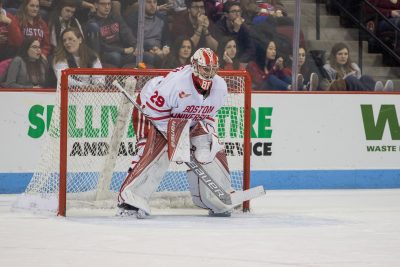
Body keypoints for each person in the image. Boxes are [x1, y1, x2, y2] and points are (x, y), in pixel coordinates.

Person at [117, 48, 236, 218]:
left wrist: (203, 141)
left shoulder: (220, 87)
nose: (210, 74)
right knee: (155, 149)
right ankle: (129, 201)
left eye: (213, 69)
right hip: (154, 111)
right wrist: (175, 141)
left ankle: (218, 198)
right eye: (205, 69)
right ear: (195, 66)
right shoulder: (175, 83)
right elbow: (154, 112)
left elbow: (209, 116)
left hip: (188, 118)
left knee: (210, 145)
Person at [321, 42, 393, 91]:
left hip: (356, 90)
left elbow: (360, 83)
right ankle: (374, 94)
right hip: (343, 91)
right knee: (350, 78)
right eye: (340, 54)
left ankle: (379, 92)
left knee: (365, 77)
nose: (343, 56)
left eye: (346, 54)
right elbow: (329, 85)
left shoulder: (354, 66)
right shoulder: (328, 68)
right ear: (334, 56)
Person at [85, 0, 137, 67]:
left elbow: (126, 33)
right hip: (106, 54)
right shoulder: (92, 24)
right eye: (103, 4)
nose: (107, 7)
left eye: (109, 4)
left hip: (123, 52)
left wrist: (136, 46)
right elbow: (100, 47)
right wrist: (122, 50)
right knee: (115, 57)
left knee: (146, 56)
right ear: (96, 5)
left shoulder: (116, 18)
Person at [125, 0, 171, 68]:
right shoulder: (133, 19)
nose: (152, 5)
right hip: (142, 50)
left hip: (160, 51)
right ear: (141, 4)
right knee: (150, 57)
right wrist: (152, 49)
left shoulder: (162, 18)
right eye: (149, 2)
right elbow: (133, 40)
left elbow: (167, 37)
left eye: (155, 2)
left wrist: (166, 47)